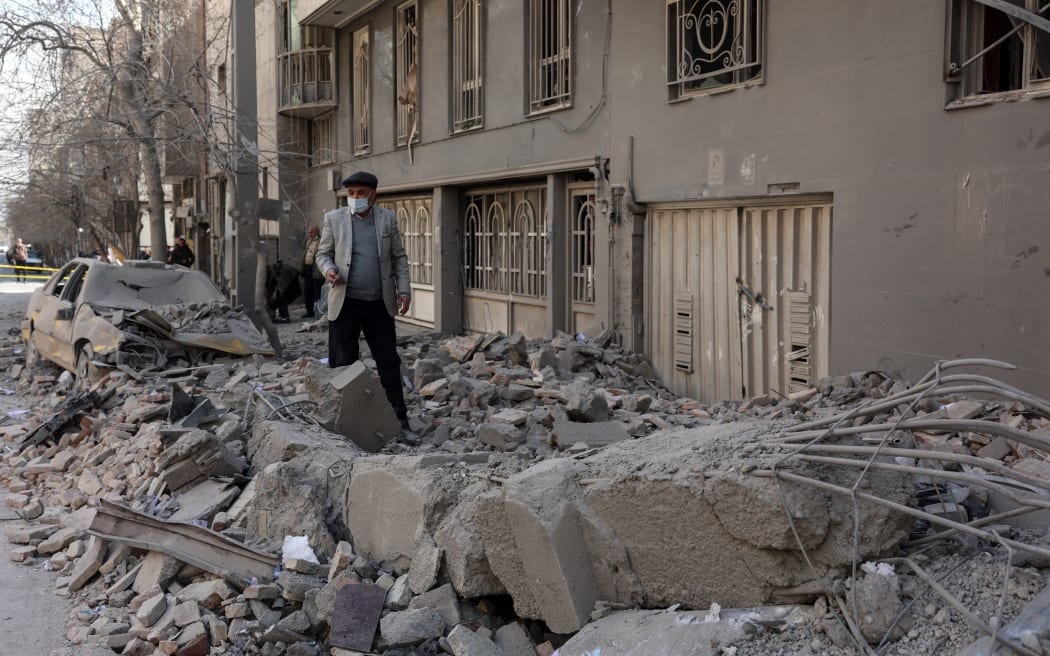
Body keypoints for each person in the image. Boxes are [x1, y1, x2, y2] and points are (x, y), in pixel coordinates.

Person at [316, 171, 412, 430]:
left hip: (379, 304)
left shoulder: (387, 220)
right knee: (343, 363)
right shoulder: (333, 219)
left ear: (373, 195)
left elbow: (399, 258)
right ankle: (347, 422)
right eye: (351, 193)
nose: (355, 198)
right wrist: (329, 270)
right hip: (345, 303)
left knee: (388, 362)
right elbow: (322, 254)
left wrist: (404, 291)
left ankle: (398, 418)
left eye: (360, 193)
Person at [300, 225, 323, 318]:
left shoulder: (321, 241)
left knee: (317, 291)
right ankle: (309, 310)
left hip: (316, 271)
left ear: (316, 232)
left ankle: (319, 311)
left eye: (311, 232)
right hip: (308, 269)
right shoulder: (309, 241)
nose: (310, 234)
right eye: (309, 232)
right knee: (307, 291)